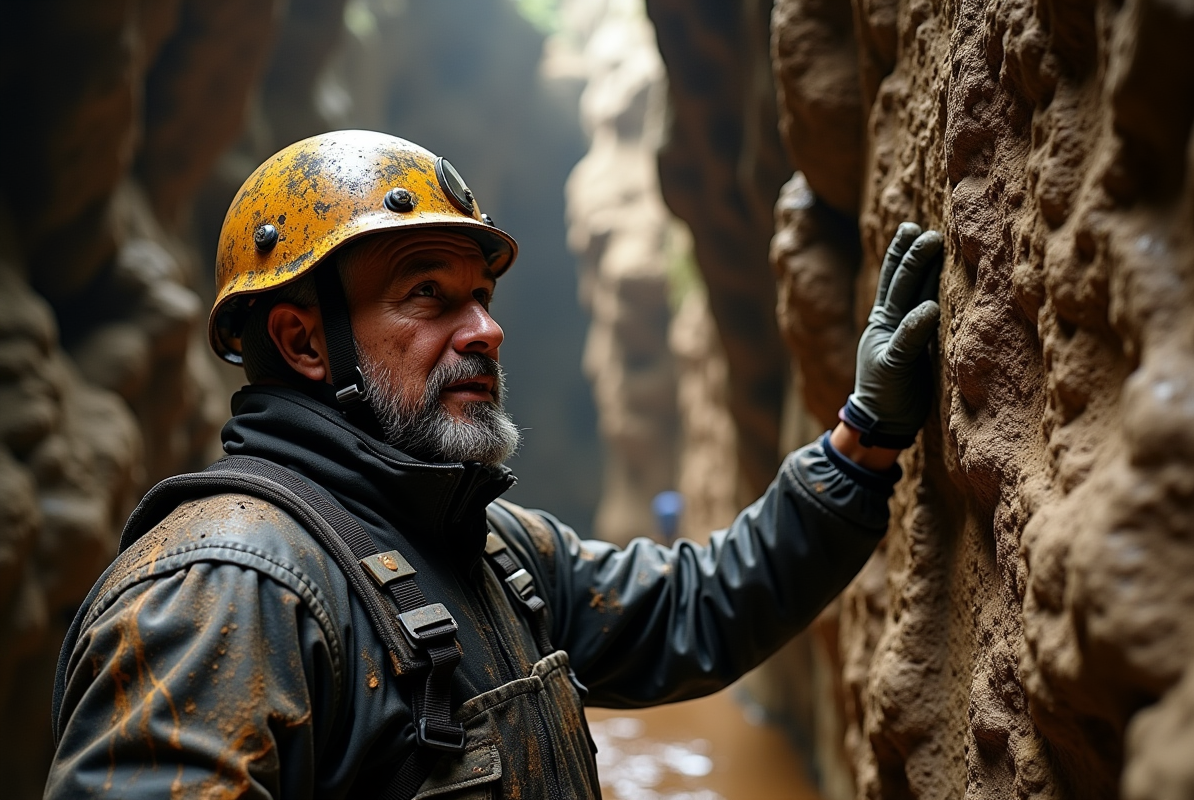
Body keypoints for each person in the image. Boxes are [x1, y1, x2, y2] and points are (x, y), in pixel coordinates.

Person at [46, 130, 943, 799]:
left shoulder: (487, 550)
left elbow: (695, 606)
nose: (485, 329)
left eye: (480, 294)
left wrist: (861, 443)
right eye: (426, 293)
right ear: (303, 341)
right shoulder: (225, 590)